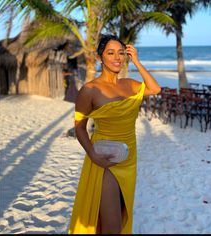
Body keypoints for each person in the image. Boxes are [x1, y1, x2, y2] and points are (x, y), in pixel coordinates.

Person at [68, 34, 161, 234]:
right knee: (112, 226)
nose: (117, 57)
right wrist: (92, 154)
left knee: (120, 212)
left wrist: (136, 61)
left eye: (121, 53)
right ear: (100, 57)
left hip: (130, 157)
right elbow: (79, 127)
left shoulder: (130, 84)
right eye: (110, 53)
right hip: (105, 158)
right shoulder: (89, 90)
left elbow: (155, 88)